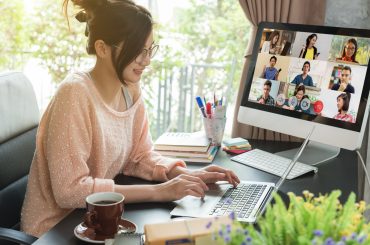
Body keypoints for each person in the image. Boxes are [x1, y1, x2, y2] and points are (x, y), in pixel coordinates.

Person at [21, 0, 240, 237]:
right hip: (54, 230)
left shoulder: (129, 89)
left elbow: (138, 156)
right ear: (103, 48)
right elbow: (70, 191)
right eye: (137, 51)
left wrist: (186, 175)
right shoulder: (74, 94)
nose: (146, 60)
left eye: (149, 50)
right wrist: (161, 192)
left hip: (98, 219)